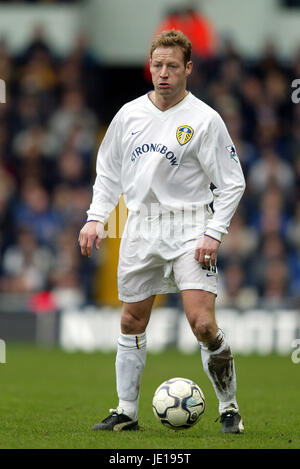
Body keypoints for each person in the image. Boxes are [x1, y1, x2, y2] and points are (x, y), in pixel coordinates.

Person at [78, 30, 246, 434]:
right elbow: (108, 172)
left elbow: (232, 182)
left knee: (202, 324)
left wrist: (214, 232)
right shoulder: (129, 115)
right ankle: (126, 411)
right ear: (149, 67)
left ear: (188, 68)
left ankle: (229, 408)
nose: (164, 74)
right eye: (158, 65)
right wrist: (95, 217)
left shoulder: (205, 120)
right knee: (132, 320)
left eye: (172, 66)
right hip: (141, 226)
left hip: (191, 226)